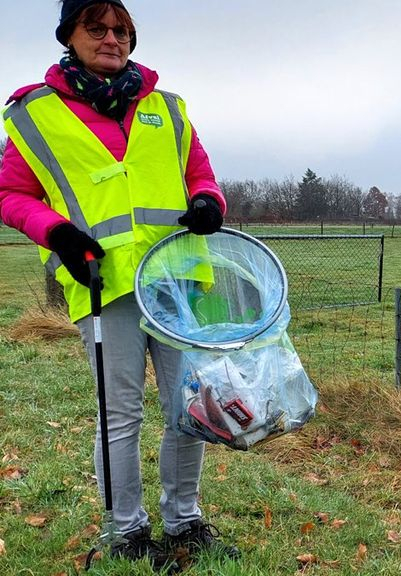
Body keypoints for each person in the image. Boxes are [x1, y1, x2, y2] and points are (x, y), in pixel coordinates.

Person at [0, 0, 237, 566]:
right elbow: (11, 195)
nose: (112, 38)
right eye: (97, 28)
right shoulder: (35, 114)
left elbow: (199, 175)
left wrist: (208, 202)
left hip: (176, 282)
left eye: (122, 29)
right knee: (121, 415)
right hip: (104, 286)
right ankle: (127, 530)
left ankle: (184, 520)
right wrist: (56, 234)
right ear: (69, 35)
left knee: (191, 407)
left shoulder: (167, 108)